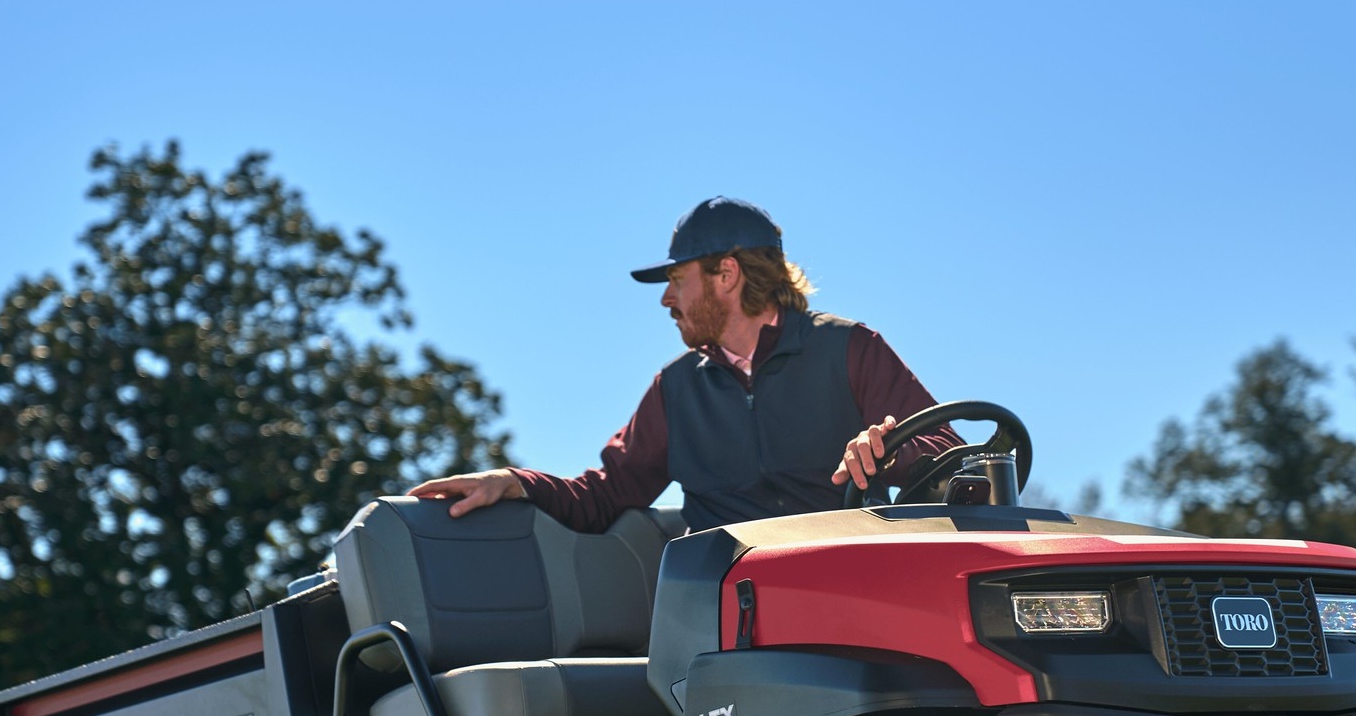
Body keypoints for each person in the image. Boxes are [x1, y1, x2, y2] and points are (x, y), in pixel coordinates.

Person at [409, 197, 962, 534]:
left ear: (726, 274)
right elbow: (605, 496)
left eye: (677, 281)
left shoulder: (850, 349)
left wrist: (890, 450)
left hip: (844, 589)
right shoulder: (675, 390)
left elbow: (953, 460)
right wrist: (513, 482)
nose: (666, 300)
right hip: (727, 614)